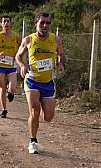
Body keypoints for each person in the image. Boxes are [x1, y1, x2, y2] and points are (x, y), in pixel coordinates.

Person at [15, 12, 65, 154]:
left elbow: (61, 54)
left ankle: (42, 107)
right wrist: (23, 66)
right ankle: (33, 141)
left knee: (48, 117)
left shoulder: (55, 40)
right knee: (34, 112)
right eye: (42, 22)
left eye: (47, 23)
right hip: (32, 81)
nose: (45, 25)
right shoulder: (29, 40)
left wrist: (61, 64)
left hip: (48, 82)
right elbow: (18, 56)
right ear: (36, 23)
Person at [0, 15, 21, 118]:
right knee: (2, 88)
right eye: (4, 22)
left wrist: (18, 56)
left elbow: (22, 49)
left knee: (12, 88)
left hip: (11, 64)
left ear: (11, 23)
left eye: (8, 21)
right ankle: (4, 109)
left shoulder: (16, 36)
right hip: (1, 65)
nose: (6, 23)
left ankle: (11, 93)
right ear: (1, 24)